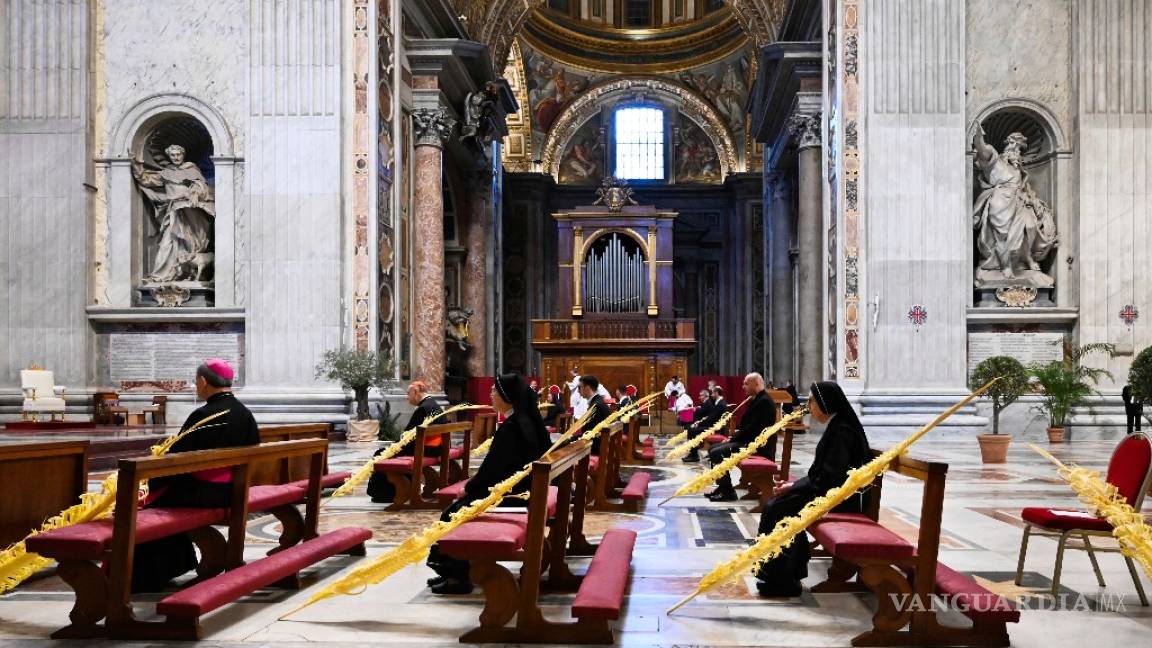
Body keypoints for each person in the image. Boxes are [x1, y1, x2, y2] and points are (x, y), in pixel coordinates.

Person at [132, 359, 258, 592]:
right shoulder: (244, 413)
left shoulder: (204, 415)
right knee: (162, 494)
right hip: (232, 489)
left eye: (195, 381)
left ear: (203, 381)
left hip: (205, 493)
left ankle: (148, 577)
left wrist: (152, 482)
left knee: (151, 502)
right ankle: (176, 564)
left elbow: (176, 459)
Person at [426, 373, 552, 594]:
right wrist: (475, 485)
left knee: (452, 513)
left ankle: (457, 578)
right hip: (523, 487)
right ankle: (457, 571)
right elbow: (497, 468)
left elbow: (493, 471)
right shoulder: (524, 421)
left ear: (507, 396)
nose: (491, 395)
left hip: (513, 492)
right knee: (455, 509)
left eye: (495, 391)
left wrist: (469, 488)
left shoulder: (513, 427)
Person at [754, 381, 871, 597]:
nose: (808, 406)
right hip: (828, 490)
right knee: (775, 506)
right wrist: (794, 486)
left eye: (811, 401)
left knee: (778, 508)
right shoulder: (838, 425)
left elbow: (830, 477)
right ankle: (782, 572)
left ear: (826, 403)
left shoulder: (843, 431)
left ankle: (785, 577)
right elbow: (823, 475)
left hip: (839, 498)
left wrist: (794, 487)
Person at [367, 381, 444, 503]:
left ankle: (386, 494)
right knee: (387, 451)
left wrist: (393, 447)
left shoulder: (422, 409)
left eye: (408, 394)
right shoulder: (433, 405)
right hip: (435, 448)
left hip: (425, 449)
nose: (407, 397)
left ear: (415, 392)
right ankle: (405, 488)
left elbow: (407, 436)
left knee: (381, 453)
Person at [706, 373, 776, 502]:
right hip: (750, 442)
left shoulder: (764, 401)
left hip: (759, 447)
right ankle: (722, 487)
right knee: (713, 449)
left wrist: (732, 439)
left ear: (756, 384)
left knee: (717, 452)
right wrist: (733, 438)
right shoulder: (757, 399)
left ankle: (728, 492)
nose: (743, 386)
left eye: (746, 383)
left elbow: (753, 430)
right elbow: (748, 428)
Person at [683, 386, 727, 463]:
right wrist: (699, 423)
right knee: (692, 429)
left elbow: (711, 418)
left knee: (692, 431)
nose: (711, 395)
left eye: (712, 393)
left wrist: (699, 424)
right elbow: (711, 417)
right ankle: (693, 453)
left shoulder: (721, 404)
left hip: (715, 428)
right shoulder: (719, 402)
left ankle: (694, 455)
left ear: (716, 393)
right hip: (713, 426)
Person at [579, 375, 612, 454]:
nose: (578, 391)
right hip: (598, 443)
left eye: (579, 387)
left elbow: (588, 433)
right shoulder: (598, 401)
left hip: (594, 448)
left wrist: (568, 439)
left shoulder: (596, 406)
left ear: (587, 388)